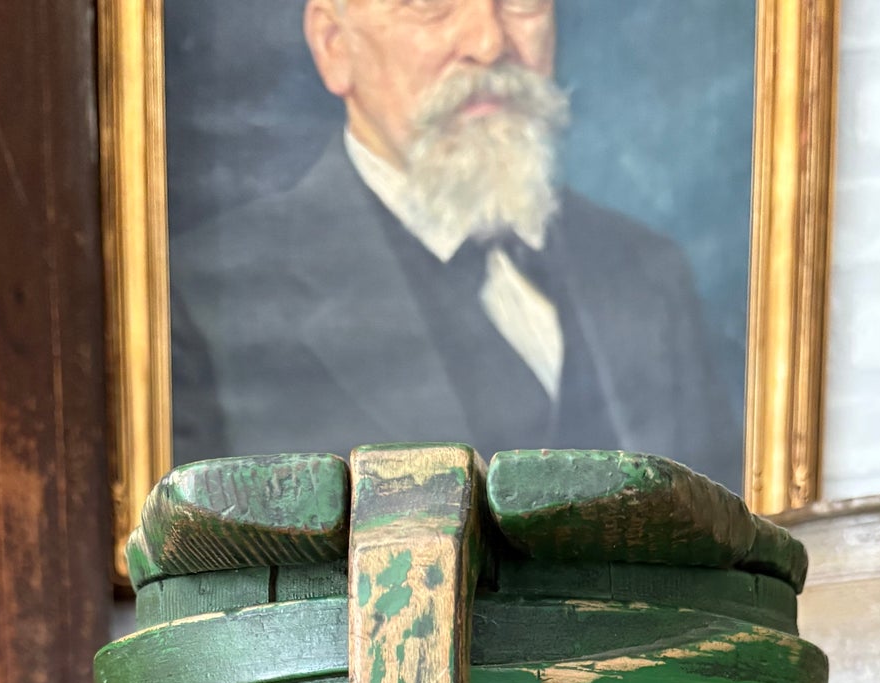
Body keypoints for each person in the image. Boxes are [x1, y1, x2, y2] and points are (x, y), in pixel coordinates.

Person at [170, 0, 736, 478]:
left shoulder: (648, 272)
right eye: (431, 5)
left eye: (519, 3)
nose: (489, 42)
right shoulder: (205, 300)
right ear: (334, 45)